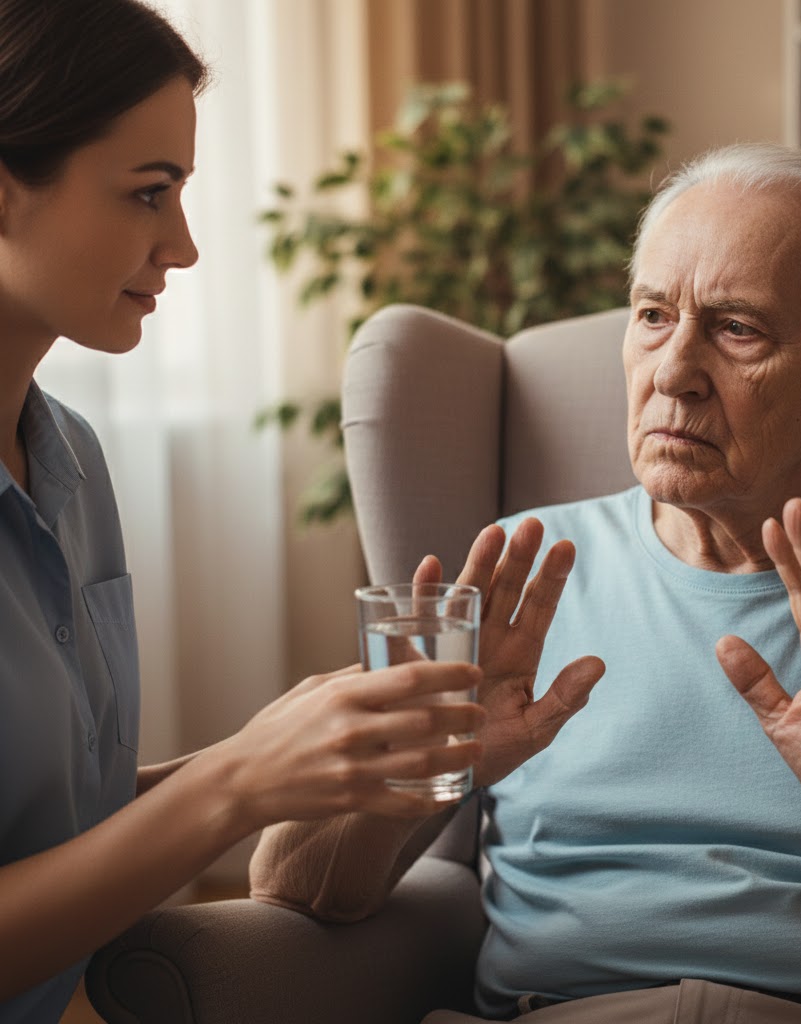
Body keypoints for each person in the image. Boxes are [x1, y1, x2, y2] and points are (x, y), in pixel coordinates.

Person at [251, 144, 801, 1024]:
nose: (673, 372)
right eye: (653, 315)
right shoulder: (521, 573)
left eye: (738, 329)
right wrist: (427, 766)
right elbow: (293, 886)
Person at [0, 2, 494, 1021]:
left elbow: (46, 823)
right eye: (149, 193)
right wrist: (232, 783)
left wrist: (291, 755)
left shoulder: (73, 466)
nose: (180, 246)